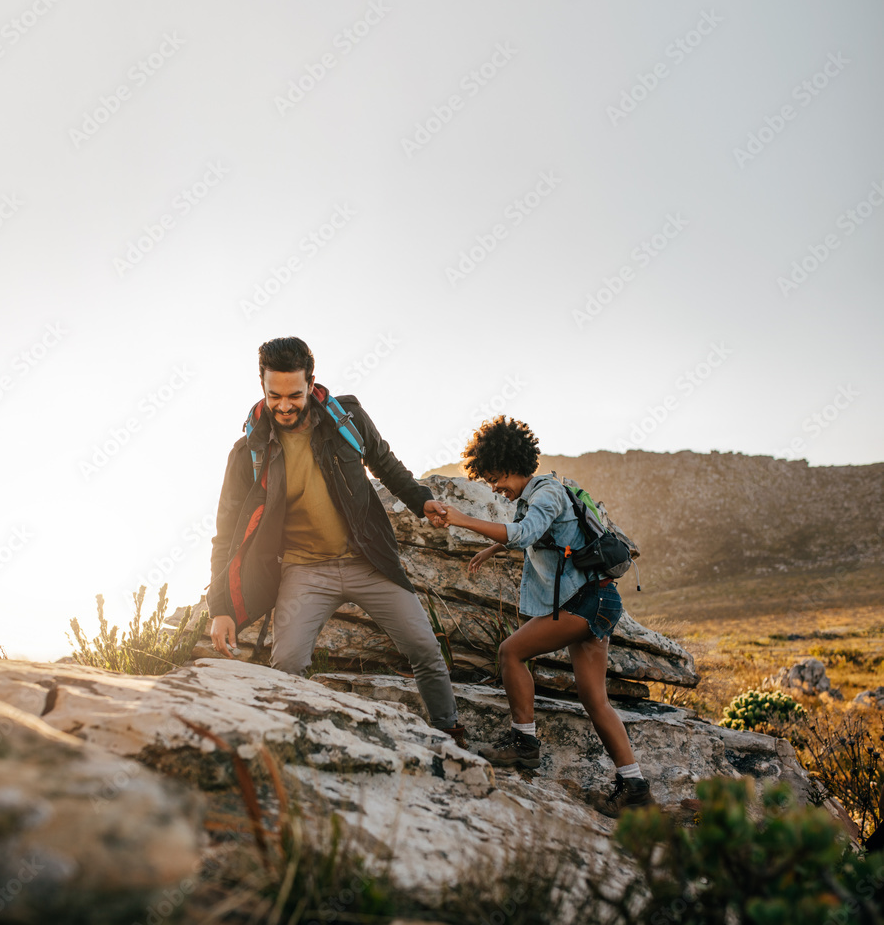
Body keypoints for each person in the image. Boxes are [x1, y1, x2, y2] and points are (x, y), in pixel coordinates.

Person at [206, 336, 465, 745]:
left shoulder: (348, 419)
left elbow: (386, 464)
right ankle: (285, 744)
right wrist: (220, 607)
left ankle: (449, 731)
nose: (284, 405)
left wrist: (423, 501)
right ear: (262, 386)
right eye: (275, 395)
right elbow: (225, 533)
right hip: (303, 569)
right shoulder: (247, 452)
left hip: (367, 560)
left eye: (294, 394)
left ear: (311, 383)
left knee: (424, 647)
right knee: (287, 662)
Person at [431, 415, 653, 816]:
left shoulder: (546, 492)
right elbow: (526, 529)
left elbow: (523, 534)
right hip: (598, 599)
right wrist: (489, 551)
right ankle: (635, 785)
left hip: (586, 602)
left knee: (511, 652)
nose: (495, 486)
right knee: (593, 699)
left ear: (512, 463)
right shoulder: (538, 493)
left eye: (496, 477)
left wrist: (463, 520)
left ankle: (524, 745)